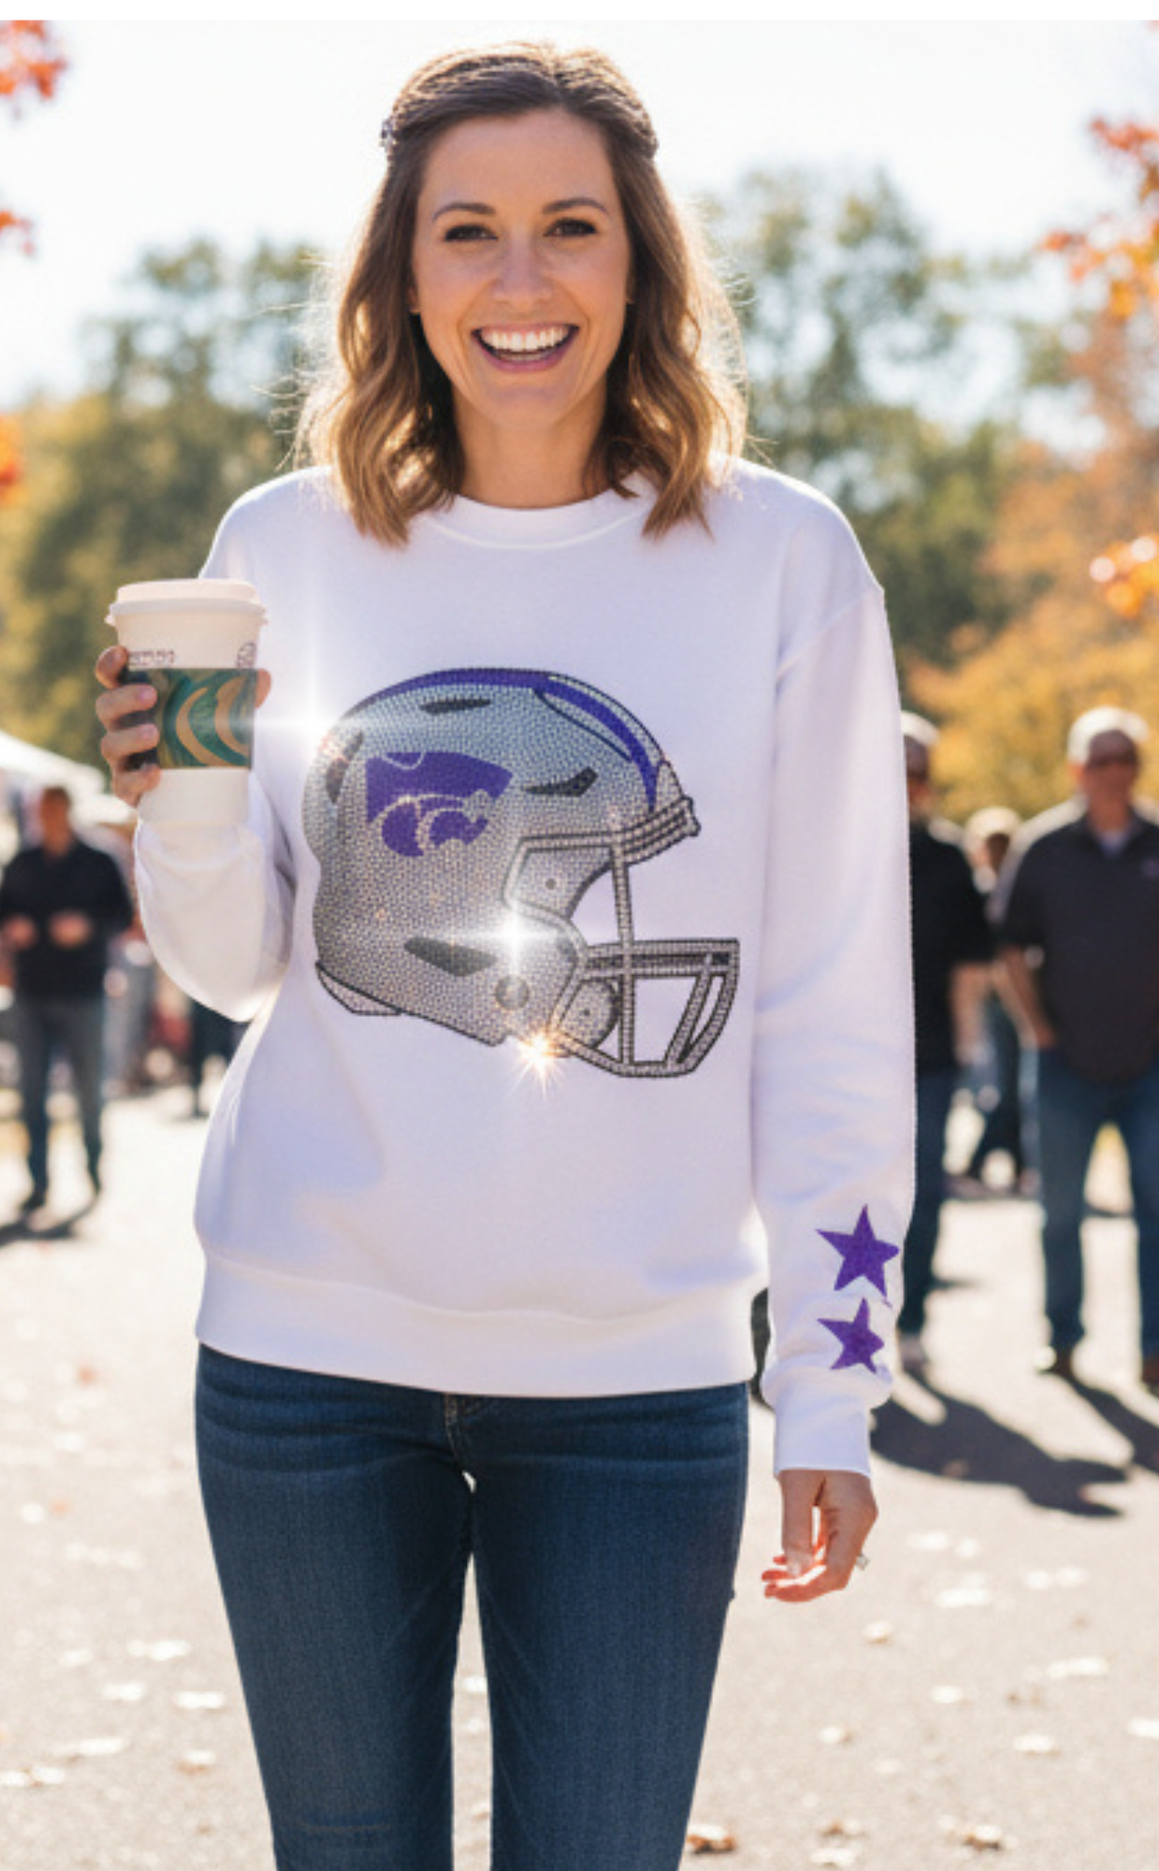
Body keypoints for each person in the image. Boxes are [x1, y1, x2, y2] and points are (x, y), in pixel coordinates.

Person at [97, 43, 913, 1870]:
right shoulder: (278, 546)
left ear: (645, 263)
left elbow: (832, 999)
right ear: (402, 273)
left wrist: (833, 1381)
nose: (522, 281)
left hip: (641, 1388)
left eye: (572, 227)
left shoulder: (785, 560)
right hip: (308, 1362)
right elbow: (242, 969)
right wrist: (184, 804)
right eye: (468, 231)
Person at [994, 706, 1159, 1389]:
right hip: (1063, 1064)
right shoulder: (1043, 847)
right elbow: (1007, 947)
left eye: (1125, 758)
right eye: (1100, 758)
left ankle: (1153, 1350)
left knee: (1155, 1213)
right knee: (1060, 1213)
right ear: (1076, 769)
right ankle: (1061, 1338)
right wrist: (1038, 1029)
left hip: (1150, 1065)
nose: (1112, 770)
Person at [896, 717, 993, 1374]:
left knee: (923, 1193)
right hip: (837, 1060)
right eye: (894, 770)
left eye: (916, 773)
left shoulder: (947, 857)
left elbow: (969, 961)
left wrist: (968, 1047)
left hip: (927, 1058)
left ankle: (908, 1323)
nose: (906, 786)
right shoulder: (825, 846)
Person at [0, 784, 133, 1210]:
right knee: (32, 1093)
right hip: (31, 993)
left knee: (89, 1090)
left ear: (68, 812)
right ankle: (38, 1181)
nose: (48, 818)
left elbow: (121, 913)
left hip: (84, 992)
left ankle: (93, 1169)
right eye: (42, 811)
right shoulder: (22, 862)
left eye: (55, 810)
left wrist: (87, 927)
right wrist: (13, 927)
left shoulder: (98, 860)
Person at [958, 806, 1025, 1192]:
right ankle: (979, 1163)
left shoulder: (1022, 888)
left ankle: (1016, 1164)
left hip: (1022, 1001)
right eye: (992, 844)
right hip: (991, 1002)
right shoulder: (977, 890)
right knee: (998, 1087)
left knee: (1015, 1087)